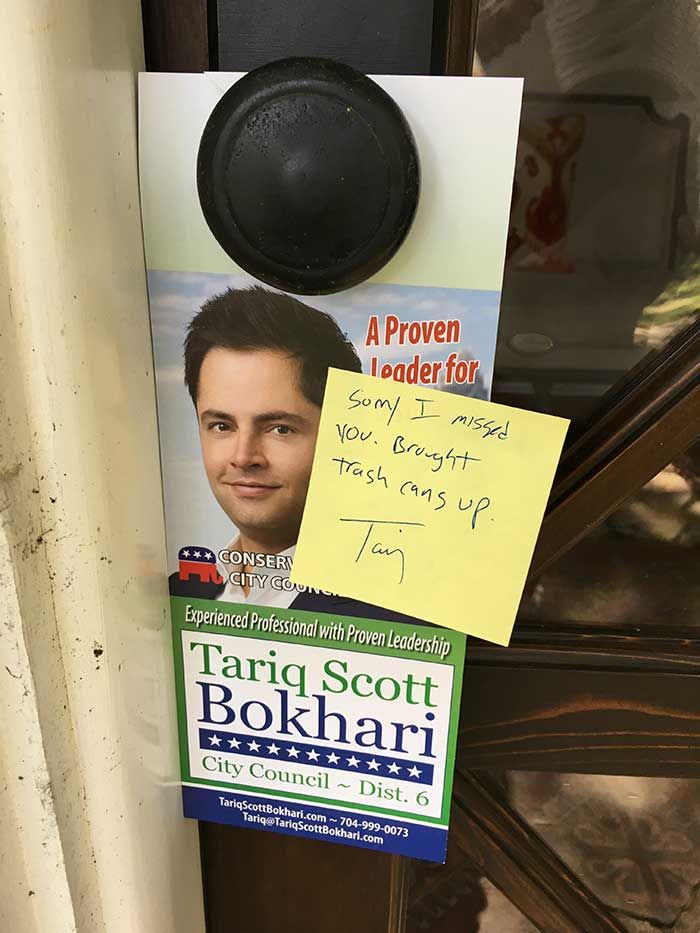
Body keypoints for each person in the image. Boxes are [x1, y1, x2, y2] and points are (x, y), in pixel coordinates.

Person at [169, 285, 420, 625]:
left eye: (280, 429)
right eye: (222, 426)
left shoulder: (401, 617)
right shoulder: (172, 595)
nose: (243, 457)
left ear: (342, 435)